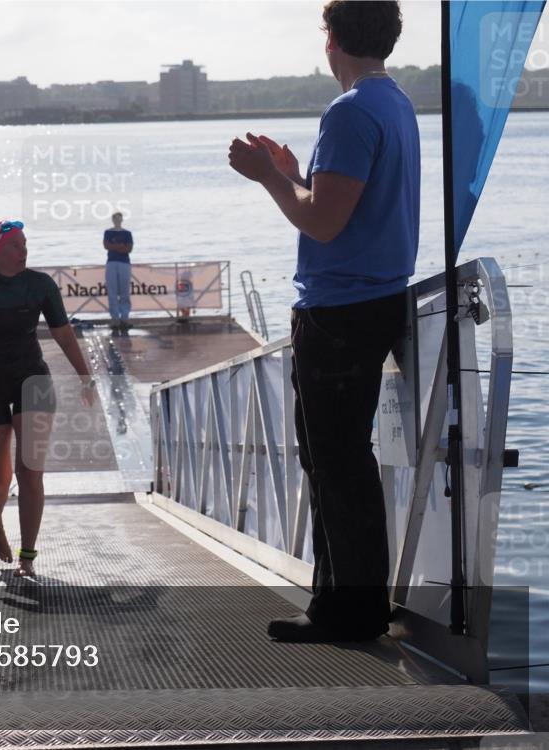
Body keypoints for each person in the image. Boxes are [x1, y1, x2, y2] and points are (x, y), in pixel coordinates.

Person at [228, 0, 419, 642]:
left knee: (333, 461)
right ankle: (349, 600)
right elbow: (348, 206)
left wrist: (267, 180)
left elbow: (323, 223)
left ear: (330, 38)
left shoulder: (350, 111)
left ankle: (347, 609)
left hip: (340, 309)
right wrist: (294, 174)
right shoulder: (396, 103)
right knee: (342, 459)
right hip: (377, 300)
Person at [0, 220, 96, 577]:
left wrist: (85, 376)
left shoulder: (41, 285)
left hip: (33, 380)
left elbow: (63, 335)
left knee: (29, 472)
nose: (23, 251)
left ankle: (27, 557)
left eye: (25, 244)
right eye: (15, 245)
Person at [102, 212, 133, 332]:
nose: (117, 220)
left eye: (119, 218)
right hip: (111, 262)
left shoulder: (127, 233)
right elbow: (106, 245)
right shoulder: (108, 232)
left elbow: (129, 248)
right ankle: (115, 318)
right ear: (112, 220)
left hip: (124, 263)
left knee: (125, 291)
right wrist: (120, 246)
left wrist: (115, 246)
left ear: (122, 219)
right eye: (115, 218)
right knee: (112, 291)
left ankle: (125, 318)